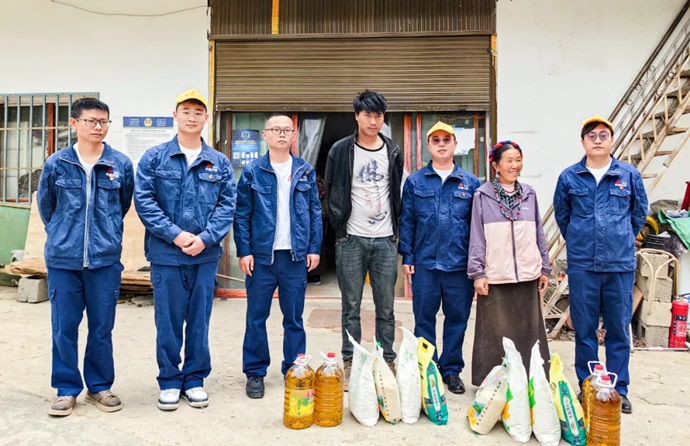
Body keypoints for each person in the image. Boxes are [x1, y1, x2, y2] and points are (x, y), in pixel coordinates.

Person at [134, 89, 236, 411]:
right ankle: (169, 380)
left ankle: (194, 380)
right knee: (167, 320)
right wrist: (176, 235)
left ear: (206, 119)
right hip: (166, 255)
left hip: (204, 256)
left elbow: (227, 206)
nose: (192, 118)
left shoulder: (219, 162)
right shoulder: (154, 158)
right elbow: (145, 202)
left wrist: (206, 238)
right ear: (175, 115)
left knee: (199, 321)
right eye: (186, 111)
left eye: (198, 112)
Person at [38, 97, 134, 416]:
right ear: (74, 123)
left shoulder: (120, 164)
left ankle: (99, 386)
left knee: (102, 327)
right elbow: (47, 207)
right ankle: (66, 389)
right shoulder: (57, 163)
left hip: (104, 261)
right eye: (91, 121)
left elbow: (122, 205)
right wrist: (64, 234)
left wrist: (104, 236)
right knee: (64, 327)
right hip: (64, 260)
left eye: (103, 121)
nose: (98, 127)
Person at [553, 116, 648, 414]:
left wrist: (620, 238)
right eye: (591, 135)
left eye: (603, 135)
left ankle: (618, 390)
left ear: (612, 140)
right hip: (583, 265)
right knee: (585, 330)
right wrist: (581, 240)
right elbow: (563, 217)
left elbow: (638, 214)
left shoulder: (628, 175)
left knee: (618, 329)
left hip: (619, 265)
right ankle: (590, 387)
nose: (597, 140)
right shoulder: (569, 178)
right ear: (583, 142)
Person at [234, 113, 322, 399]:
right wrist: (244, 250)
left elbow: (314, 211)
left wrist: (314, 247)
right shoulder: (253, 171)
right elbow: (242, 213)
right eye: (276, 129)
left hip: (294, 257)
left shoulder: (304, 170)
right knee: (256, 317)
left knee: (294, 317)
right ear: (266, 135)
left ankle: (295, 369)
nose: (282, 134)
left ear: (294, 135)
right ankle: (255, 372)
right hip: (262, 257)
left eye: (287, 130)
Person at [325, 90, 403, 388]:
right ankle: (351, 361)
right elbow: (331, 188)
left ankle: (386, 360)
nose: (373, 121)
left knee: (386, 307)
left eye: (378, 115)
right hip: (351, 239)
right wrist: (339, 226)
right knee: (351, 306)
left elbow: (395, 190)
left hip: (385, 239)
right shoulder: (341, 150)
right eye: (367, 115)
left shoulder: (392, 151)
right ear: (356, 116)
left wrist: (395, 231)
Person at [398, 121, 480, 394]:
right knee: (424, 319)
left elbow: (478, 228)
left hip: (459, 265)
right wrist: (408, 255)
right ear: (428, 146)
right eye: (436, 140)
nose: (442, 145)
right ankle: (427, 368)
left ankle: (451, 370)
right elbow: (407, 220)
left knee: (457, 319)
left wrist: (477, 265)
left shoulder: (471, 183)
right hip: (425, 264)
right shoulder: (415, 181)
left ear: (455, 144)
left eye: (447, 140)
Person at [468, 140, 551, 386]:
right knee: (495, 334)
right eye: (509, 161)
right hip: (496, 275)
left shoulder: (529, 194)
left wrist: (544, 268)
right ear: (495, 166)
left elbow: (538, 233)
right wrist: (477, 273)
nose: (515, 165)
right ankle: (492, 384)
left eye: (518, 160)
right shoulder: (482, 195)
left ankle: (530, 380)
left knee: (528, 332)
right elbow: (476, 236)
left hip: (527, 274)